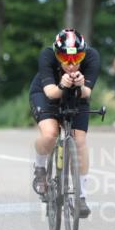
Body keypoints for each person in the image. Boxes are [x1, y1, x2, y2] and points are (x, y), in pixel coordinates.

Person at [29, 29, 100, 218]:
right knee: (50, 133)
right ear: (56, 53)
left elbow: (87, 93)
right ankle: (40, 166)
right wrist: (63, 85)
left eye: (78, 58)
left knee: (79, 140)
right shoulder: (47, 56)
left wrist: (80, 85)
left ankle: (81, 196)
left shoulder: (92, 57)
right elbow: (52, 93)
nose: (71, 64)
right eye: (65, 58)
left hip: (76, 94)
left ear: (84, 54)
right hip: (47, 92)